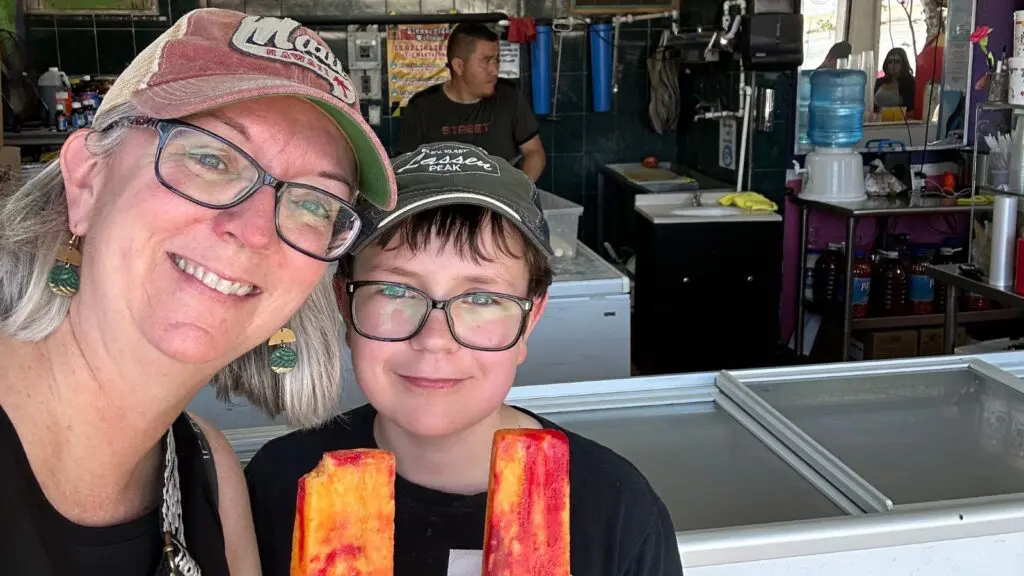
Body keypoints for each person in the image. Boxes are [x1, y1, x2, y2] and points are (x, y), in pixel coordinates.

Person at [0, 8, 396, 575]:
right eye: (211, 158)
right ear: (87, 179)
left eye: (314, 201)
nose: (255, 230)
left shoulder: (210, 472)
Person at [246, 142, 683, 576]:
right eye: (395, 291)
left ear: (530, 321)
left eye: (481, 297)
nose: (435, 340)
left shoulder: (617, 510)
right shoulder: (275, 485)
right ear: (346, 304)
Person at [396, 23, 546, 182]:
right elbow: (406, 169)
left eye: (496, 60)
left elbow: (534, 152)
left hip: (501, 202)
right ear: (459, 66)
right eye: (487, 61)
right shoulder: (422, 107)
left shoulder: (508, 96)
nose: (495, 70)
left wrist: (517, 191)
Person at [874, 47, 916, 114]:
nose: (893, 65)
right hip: (879, 121)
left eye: (897, 62)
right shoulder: (879, 82)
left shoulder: (911, 84)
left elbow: (912, 109)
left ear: (903, 64)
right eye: (890, 62)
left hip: (901, 122)